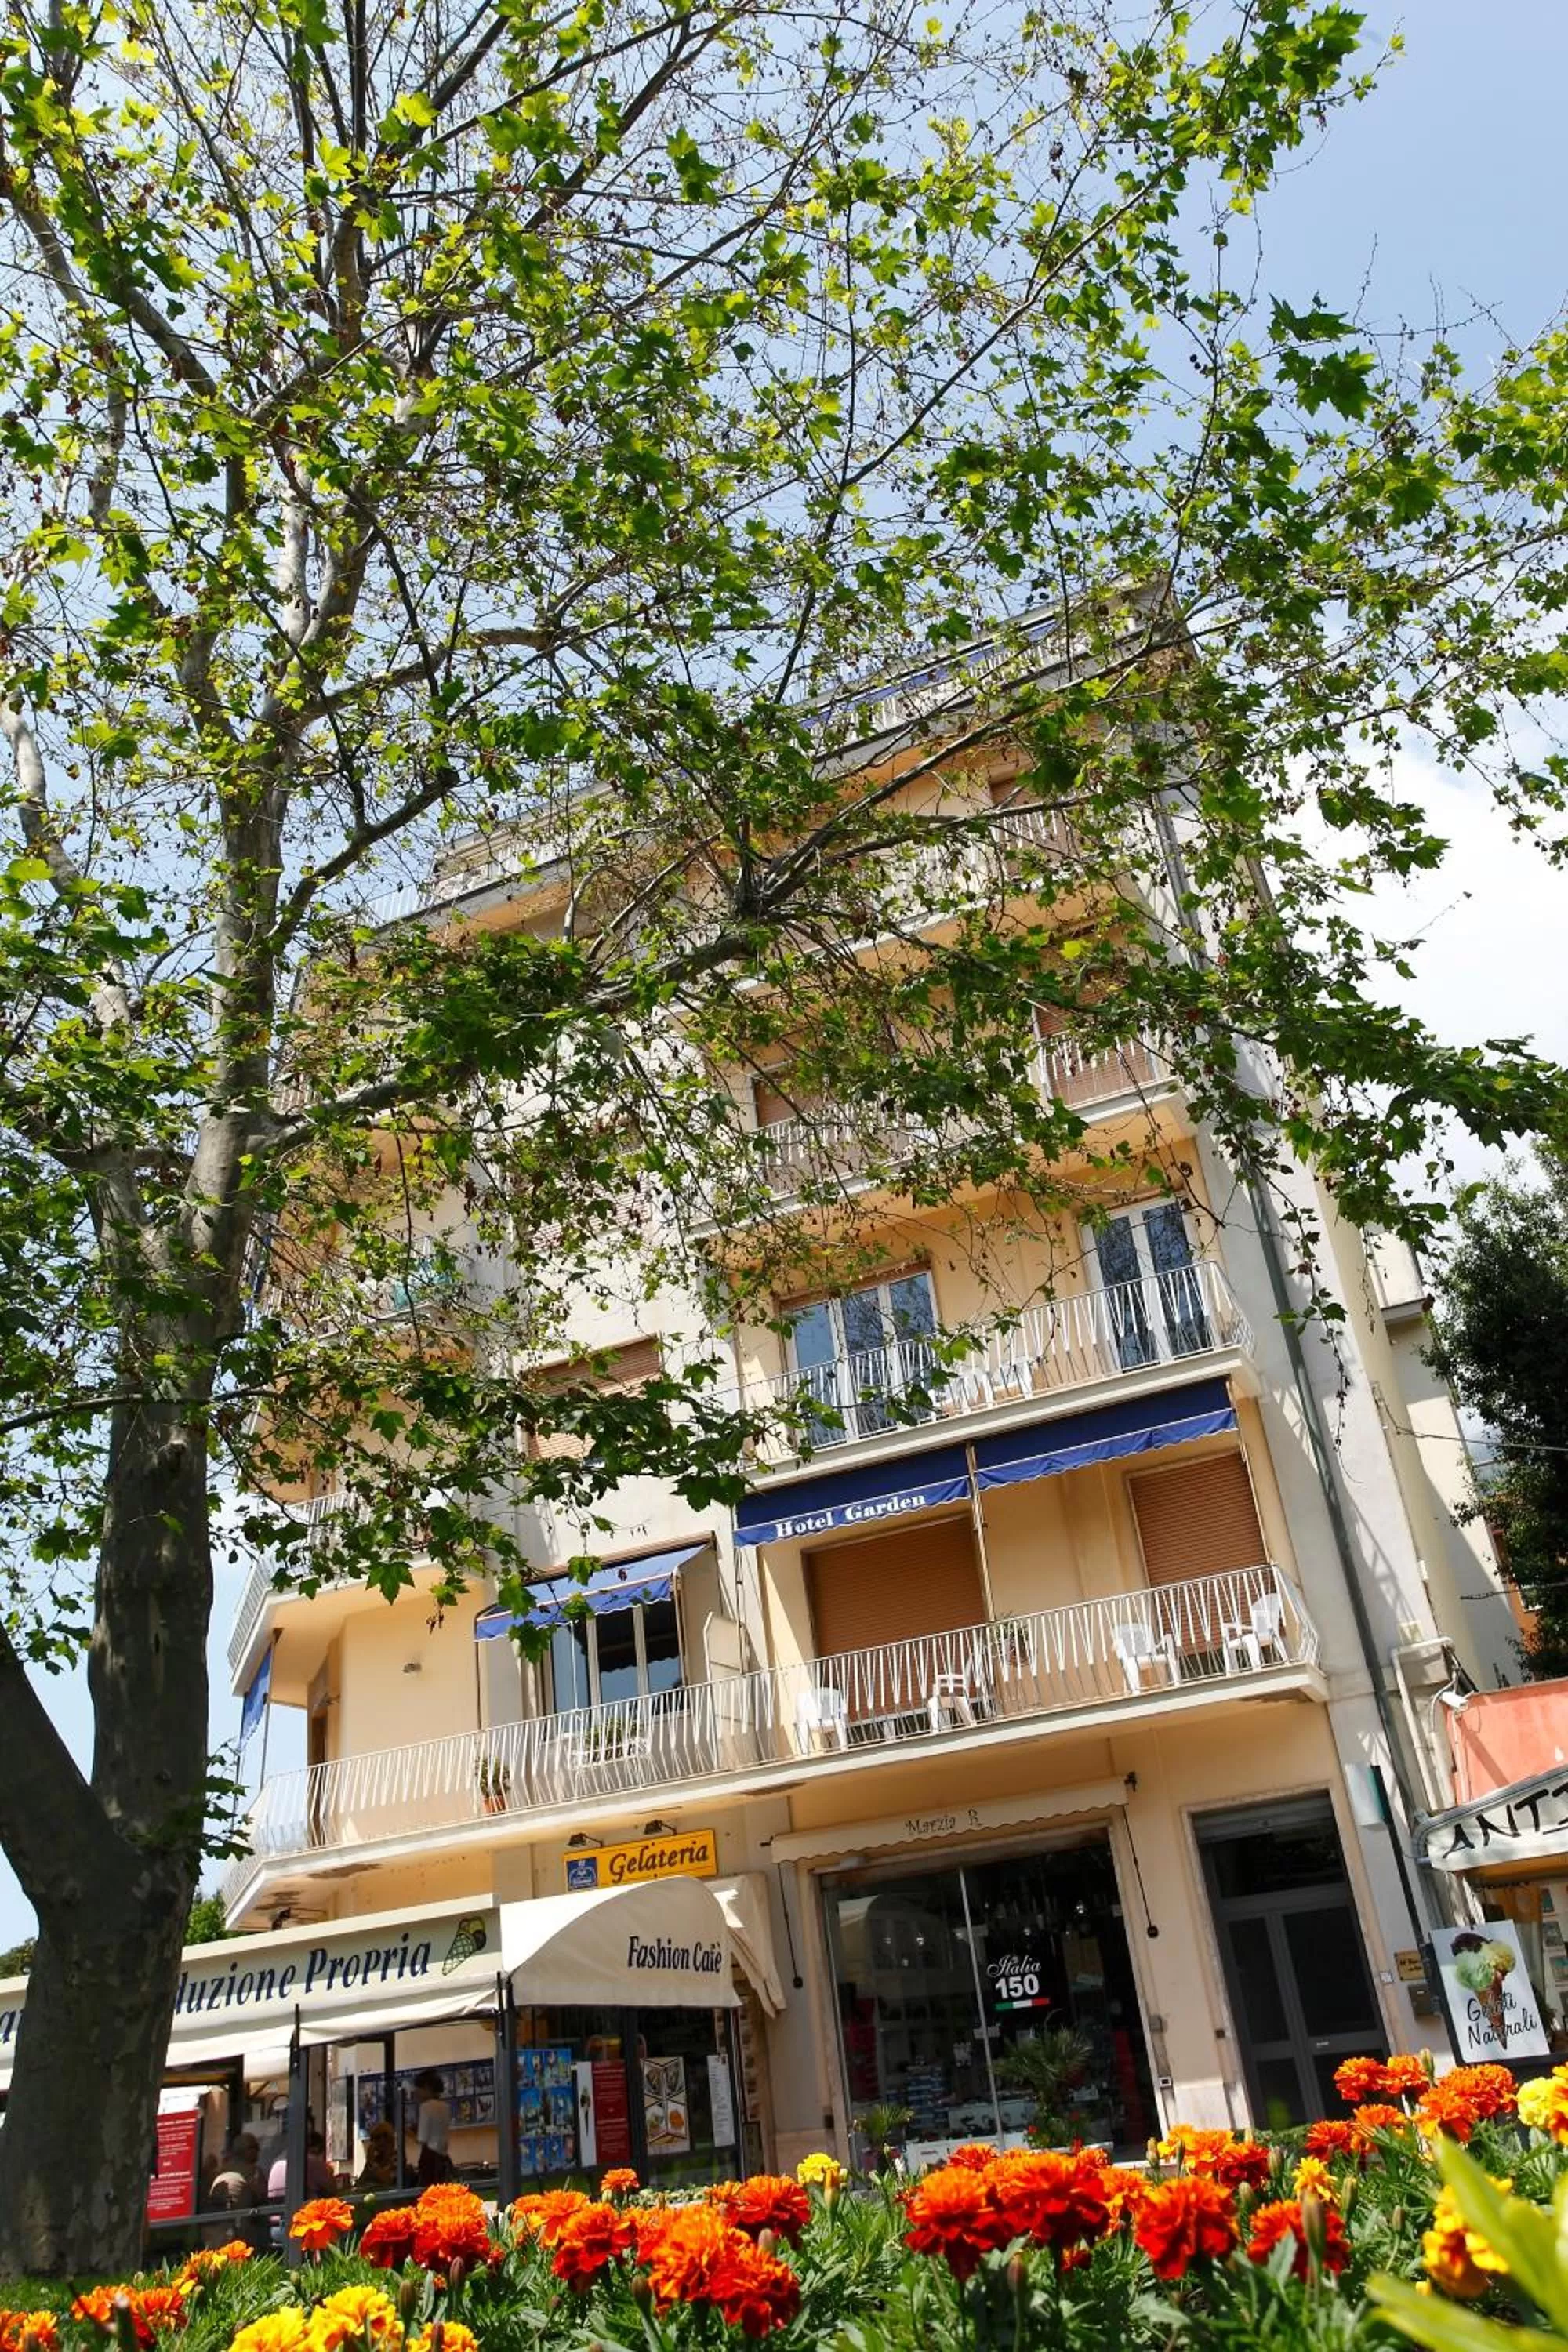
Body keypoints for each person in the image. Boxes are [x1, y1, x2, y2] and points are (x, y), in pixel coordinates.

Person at [205, 2134, 268, 2250]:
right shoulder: (254, 2172)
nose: (258, 2152)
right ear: (247, 2150)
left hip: (218, 2231)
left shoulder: (222, 2169)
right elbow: (262, 2198)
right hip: (242, 2230)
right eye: (255, 2148)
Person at [267, 2130, 337, 2200]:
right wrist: (329, 2171)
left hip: (276, 2209)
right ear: (317, 2148)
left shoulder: (277, 2162)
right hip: (305, 2208)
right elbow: (332, 2189)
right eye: (322, 2151)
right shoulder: (311, 2161)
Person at [410, 2071, 453, 2185]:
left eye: (418, 2088)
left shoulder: (426, 2107)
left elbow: (422, 2139)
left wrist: (407, 2132)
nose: (416, 2093)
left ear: (426, 2087)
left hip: (429, 2157)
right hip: (443, 2156)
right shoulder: (445, 2107)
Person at [355, 2119, 399, 2190]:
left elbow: (388, 2180)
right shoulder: (377, 2160)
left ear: (388, 2138)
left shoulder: (396, 2158)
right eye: (372, 2139)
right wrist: (368, 2163)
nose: (374, 2143)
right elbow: (360, 2183)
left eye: (377, 2138)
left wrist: (372, 2163)